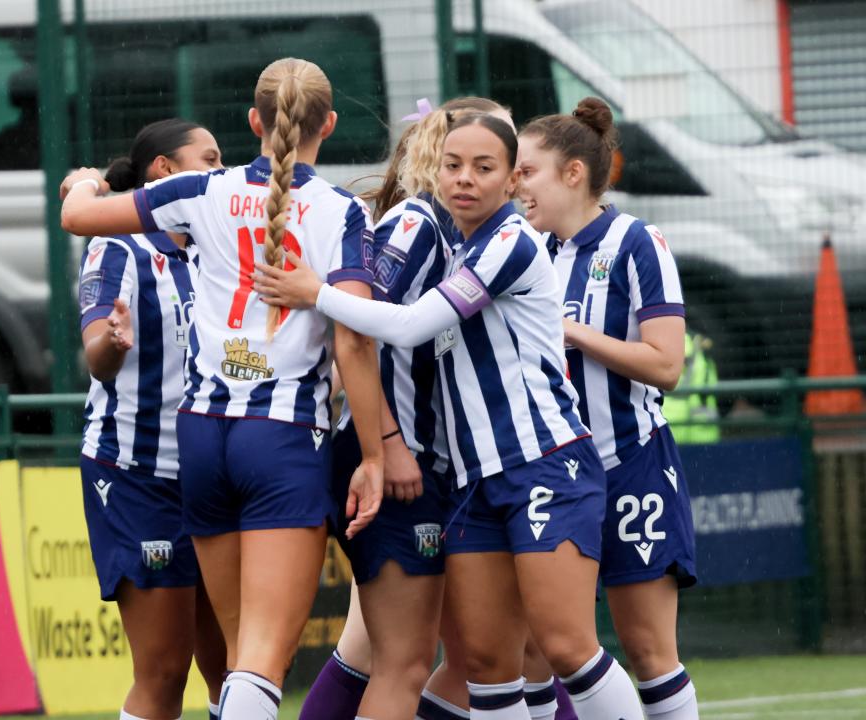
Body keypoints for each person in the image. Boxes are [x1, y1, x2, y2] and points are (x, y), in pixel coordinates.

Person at [254, 112, 645, 719]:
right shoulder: (448, 238)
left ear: (512, 179)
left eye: (483, 168)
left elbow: (410, 326)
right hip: (472, 480)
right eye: (453, 165)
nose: (464, 179)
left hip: (543, 461)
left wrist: (317, 292)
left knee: (565, 647)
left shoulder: (509, 242)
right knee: (487, 666)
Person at [59, 58, 385, 720]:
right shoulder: (341, 211)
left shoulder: (203, 190)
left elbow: (77, 217)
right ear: (328, 123)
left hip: (203, 436)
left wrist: (84, 183)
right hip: (281, 437)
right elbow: (353, 339)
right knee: (262, 662)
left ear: (254, 122)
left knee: (240, 657)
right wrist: (377, 455)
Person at [517, 97, 699, 719]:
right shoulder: (528, 250)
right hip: (552, 475)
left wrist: (574, 333)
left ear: (573, 173)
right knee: (534, 652)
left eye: (526, 171)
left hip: (629, 463)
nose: (516, 185)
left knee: (649, 651)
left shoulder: (637, 242)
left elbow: (666, 365)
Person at [76, 118, 227, 720]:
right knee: (164, 670)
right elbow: (96, 355)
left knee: (239, 668)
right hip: (138, 473)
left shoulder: (216, 246)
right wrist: (113, 342)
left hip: (214, 472)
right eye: (209, 159)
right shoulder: (119, 245)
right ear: (163, 171)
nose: (222, 171)